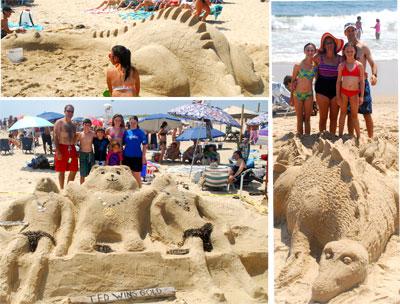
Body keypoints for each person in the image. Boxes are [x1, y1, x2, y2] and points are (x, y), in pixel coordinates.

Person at [344, 22, 377, 138]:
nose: (351, 32)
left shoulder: (363, 47)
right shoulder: (345, 49)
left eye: (353, 30)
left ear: (356, 31)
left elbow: (373, 63)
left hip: (362, 84)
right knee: (349, 113)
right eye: (348, 30)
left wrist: (374, 75)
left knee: (366, 112)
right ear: (345, 33)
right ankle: (350, 137)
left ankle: (370, 138)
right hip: (348, 85)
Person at [314, 33, 344, 134]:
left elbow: (350, 67)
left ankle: (331, 136)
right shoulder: (318, 57)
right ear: (324, 45)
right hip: (321, 89)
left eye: (331, 43)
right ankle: (322, 137)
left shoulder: (341, 59)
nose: (329, 45)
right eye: (327, 43)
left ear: (335, 45)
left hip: (336, 89)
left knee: (334, 117)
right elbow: (309, 68)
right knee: (323, 117)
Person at [336, 43, 365, 140]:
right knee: (343, 113)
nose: (349, 53)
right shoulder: (341, 65)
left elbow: (362, 82)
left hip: (354, 93)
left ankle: (358, 136)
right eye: (347, 51)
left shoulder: (359, 65)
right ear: (344, 52)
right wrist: (338, 96)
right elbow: (338, 81)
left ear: (355, 52)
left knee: (354, 115)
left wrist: (361, 96)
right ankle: (340, 135)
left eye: (351, 51)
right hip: (344, 92)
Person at [291, 43, 317, 135]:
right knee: (299, 119)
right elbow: (293, 82)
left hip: (309, 95)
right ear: (304, 51)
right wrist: (291, 98)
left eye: (312, 50)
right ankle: (300, 137)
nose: (310, 52)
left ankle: (307, 137)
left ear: (315, 51)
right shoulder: (298, 65)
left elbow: (318, 82)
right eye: (308, 50)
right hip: (297, 95)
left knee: (307, 119)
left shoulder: (315, 67)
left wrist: (315, 99)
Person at [53, 105, 78, 190]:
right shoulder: (59, 122)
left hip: (72, 147)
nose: (70, 113)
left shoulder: (74, 125)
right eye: (68, 111)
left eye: (71, 112)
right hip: (61, 147)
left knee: (74, 169)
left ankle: (68, 188)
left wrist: (77, 137)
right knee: (61, 170)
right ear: (64, 111)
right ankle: (62, 189)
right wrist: (58, 151)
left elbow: (74, 139)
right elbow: (55, 137)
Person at [122, 116, 147, 187]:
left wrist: (143, 156)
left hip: (137, 156)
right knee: (127, 175)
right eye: (131, 122)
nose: (132, 124)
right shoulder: (126, 132)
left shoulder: (141, 132)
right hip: (126, 156)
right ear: (129, 123)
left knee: (137, 176)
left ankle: (140, 190)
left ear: (137, 123)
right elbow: (122, 143)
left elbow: (144, 145)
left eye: (134, 122)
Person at [78, 118, 96, 184]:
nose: (87, 126)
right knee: (82, 173)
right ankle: (81, 187)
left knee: (91, 172)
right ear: (83, 125)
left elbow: (101, 137)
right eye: (85, 125)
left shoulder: (93, 133)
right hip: (82, 154)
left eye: (89, 125)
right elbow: (73, 142)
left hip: (90, 154)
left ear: (90, 126)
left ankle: (91, 187)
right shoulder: (80, 134)